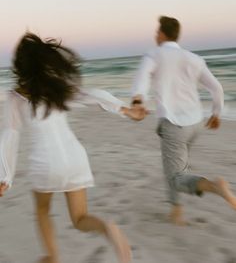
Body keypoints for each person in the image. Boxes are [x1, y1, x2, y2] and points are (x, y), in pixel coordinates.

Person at [0, 33, 145, 263]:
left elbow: (10, 135)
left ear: (20, 66)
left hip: (46, 164)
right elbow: (93, 96)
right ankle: (108, 229)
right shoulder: (57, 89)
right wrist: (126, 110)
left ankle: (52, 256)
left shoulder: (15, 97)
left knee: (42, 211)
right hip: (75, 158)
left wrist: (5, 176)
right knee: (80, 218)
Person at [131, 16, 236, 225]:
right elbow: (216, 88)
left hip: (174, 124)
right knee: (174, 168)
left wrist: (137, 100)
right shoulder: (194, 58)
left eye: (157, 31)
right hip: (195, 123)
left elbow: (142, 77)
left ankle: (215, 187)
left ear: (162, 33)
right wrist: (216, 113)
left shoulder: (154, 54)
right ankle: (176, 212)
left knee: (176, 177)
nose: (155, 35)